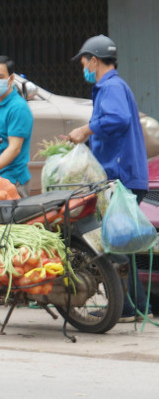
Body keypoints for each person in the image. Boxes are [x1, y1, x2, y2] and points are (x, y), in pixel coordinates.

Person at [68, 35, 150, 323]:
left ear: (94, 59)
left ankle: (128, 308)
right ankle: (136, 307)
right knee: (119, 243)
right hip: (122, 175)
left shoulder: (111, 86)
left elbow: (117, 120)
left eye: (84, 62)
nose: (83, 68)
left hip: (121, 178)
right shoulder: (111, 86)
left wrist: (85, 129)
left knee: (114, 244)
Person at [0, 55, 34, 198]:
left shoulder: (17, 108)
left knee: (12, 220)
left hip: (12, 183)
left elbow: (14, 148)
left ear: (10, 79)